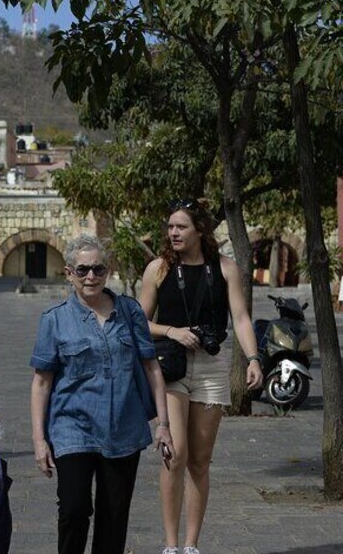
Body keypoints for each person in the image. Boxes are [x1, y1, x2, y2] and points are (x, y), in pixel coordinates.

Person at [30, 235, 172, 554]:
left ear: (108, 271)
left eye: (98, 269)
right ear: (69, 273)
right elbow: (41, 383)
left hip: (124, 427)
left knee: (114, 517)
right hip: (72, 428)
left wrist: (163, 424)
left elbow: (151, 367)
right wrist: (39, 441)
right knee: (74, 510)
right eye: (82, 270)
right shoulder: (54, 320)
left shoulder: (130, 312)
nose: (91, 276)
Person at [139, 199, 263, 554]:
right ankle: (170, 544)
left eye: (181, 227)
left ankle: (192, 545)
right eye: (171, 226)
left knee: (199, 460)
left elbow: (239, 318)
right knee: (174, 455)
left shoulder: (225, 269)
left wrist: (253, 358)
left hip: (211, 366)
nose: (173, 233)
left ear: (200, 231)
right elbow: (138, 323)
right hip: (172, 365)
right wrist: (172, 330)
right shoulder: (158, 269)